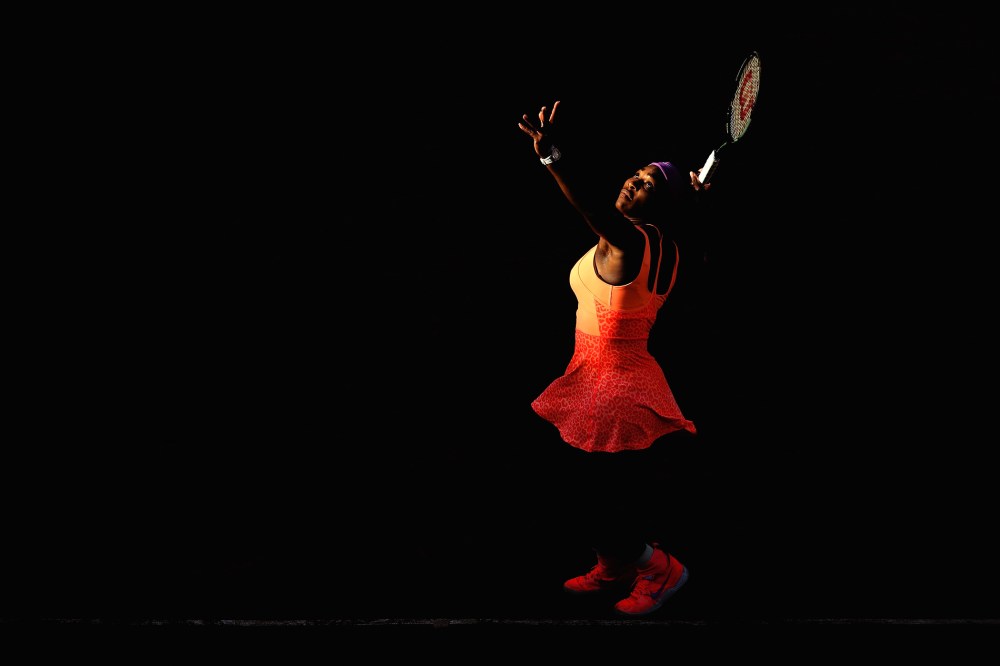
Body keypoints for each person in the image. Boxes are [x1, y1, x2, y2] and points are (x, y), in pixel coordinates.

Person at [516, 100, 708, 617]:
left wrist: (552, 156)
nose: (632, 182)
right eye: (636, 174)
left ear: (659, 204)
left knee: (582, 496)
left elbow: (591, 211)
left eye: (647, 183)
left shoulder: (625, 241)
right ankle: (616, 566)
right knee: (596, 494)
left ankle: (657, 567)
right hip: (615, 379)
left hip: (612, 388)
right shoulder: (669, 244)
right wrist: (690, 194)